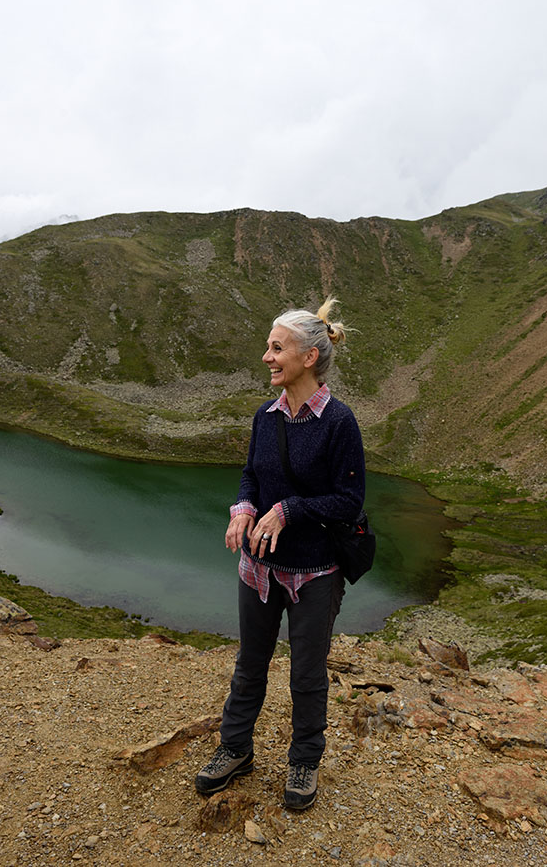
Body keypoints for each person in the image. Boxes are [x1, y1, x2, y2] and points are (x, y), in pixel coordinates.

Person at [195, 297, 366, 810]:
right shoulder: (265, 417)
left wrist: (288, 510)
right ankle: (235, 748)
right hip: (259, 567)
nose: (267, 357)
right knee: (250, 664)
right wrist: (243, 508)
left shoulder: (339, 422)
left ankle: (304, 760)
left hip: (315, 571)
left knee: (306, 673)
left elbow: (348, 500)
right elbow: (252, 474)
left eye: (276, 348)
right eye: (268, 348)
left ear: (309, 357)